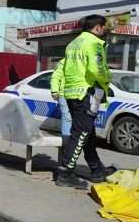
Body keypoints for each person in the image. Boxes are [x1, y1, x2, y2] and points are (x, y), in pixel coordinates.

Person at [56, 14, 117, 189]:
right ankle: (66, 173)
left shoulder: (73, 43)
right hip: (87, 93)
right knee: (80, 133)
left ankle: (97, 169)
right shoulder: (94, 43)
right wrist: (108, 77)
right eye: (103, 28)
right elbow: (97, 70)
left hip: (72, 93)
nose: (103, 31)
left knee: (87, 132)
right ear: (97, 27)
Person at [50, 59, 72, 142]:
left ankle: (72, 142)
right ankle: (66, 143)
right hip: (64, 94)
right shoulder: (64, 61)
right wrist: (54, 91)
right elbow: (55, 77)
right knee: (67, 118)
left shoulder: (81, 60)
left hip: (78, 94)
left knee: (73, 118)